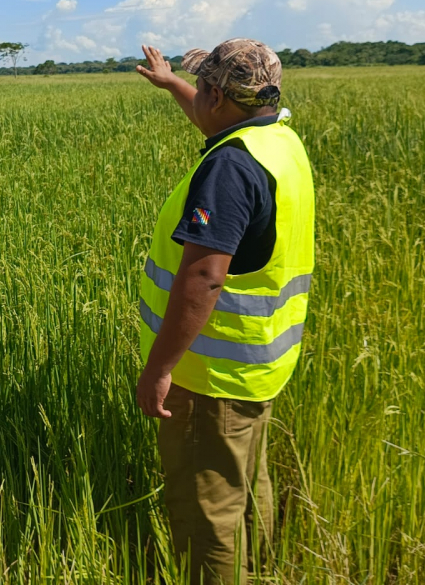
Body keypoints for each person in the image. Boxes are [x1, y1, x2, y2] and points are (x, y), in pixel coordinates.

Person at [133, 40, 315, 585]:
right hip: (255, 368)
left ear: (218, 94)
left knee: (208, 515)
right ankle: (254, 573)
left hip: (207, 378)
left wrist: (160, 368)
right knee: (244, 489)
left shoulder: (229, 169)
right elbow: (215, 123)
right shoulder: (276, 139)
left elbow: (204, 277)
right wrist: (172, 85)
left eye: (202, 86)